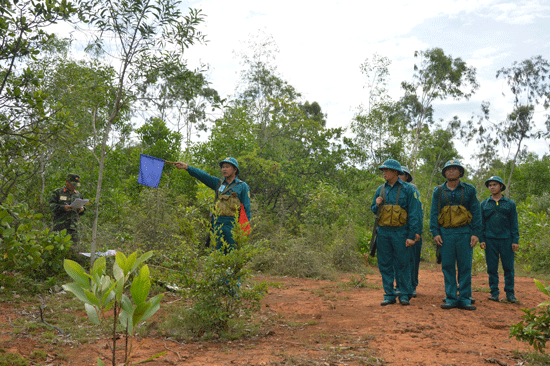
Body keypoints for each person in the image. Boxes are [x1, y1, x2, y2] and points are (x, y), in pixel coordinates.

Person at [429, 160, 482, 311]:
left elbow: (476, 212)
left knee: (465, 266)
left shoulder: (469, 190)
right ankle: (451, 297)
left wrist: (476, 233)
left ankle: (465, 298)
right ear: (444, 173)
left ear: (460, 172)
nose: (451, 172)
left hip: (465, 232)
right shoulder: (438, 191)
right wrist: (435, 232)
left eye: (454, 169)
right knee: (447, 266)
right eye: (448, 169)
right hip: (445, 233)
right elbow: (434, 213)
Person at [371, 159, 421, 306]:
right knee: (385, 264)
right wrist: (377, 204)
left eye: (387, 170)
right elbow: (374, 210)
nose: (384, 173)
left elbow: (414, 213)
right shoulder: (380, 190)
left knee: (403, 263)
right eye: (383, 171)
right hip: (383, 232)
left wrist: (413, 235)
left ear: (395, 172)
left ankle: (405, 294)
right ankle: (389, 294)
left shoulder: (408, 189)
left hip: (401, 232)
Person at [174, 157, 251, 253]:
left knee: (233, 252)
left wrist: (244, 229)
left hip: (233, 225)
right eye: (223, 167)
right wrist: (187, 167)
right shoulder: (218, 183)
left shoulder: (243, 186)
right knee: (218, 252)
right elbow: (203, 176)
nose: (224, 169)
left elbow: (246, 209)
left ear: (235, 169)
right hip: (218, 223)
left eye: (227, 167)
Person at [479, 176, 520, 303]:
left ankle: (510, 293)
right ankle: (494, 293)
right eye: (490, 185)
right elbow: (481, 224)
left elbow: (514, 223)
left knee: (508, 267)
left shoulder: (510, 204)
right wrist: (482, 239)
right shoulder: (484, 204)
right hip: (490, 239)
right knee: (492, 267)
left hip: (506, 239)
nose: (492, 187)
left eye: (495, 184)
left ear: (501, 186)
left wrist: (515, 240)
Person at [398, 167, 423, 298]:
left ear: (407, 177)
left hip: (412, 230)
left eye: (402, 174)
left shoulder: (412, 189)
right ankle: (400, 286)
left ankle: (412, 285)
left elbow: (418, 213)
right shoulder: (391, 190)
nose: (399, 176)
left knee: (412, 260)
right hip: (398, 231)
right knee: (399, 260)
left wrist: (417, 231)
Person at [49, 173, 86, 247]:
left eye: (75, 185)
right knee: (58, 249)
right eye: (72, 184)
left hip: (74, 228)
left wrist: (81, 210)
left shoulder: (78, 195)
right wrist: (63, 208)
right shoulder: (58, 192)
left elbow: (83, 209)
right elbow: (51, 206)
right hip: (60, 227)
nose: (74, 186)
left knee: (73, 250)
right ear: (66, 181)